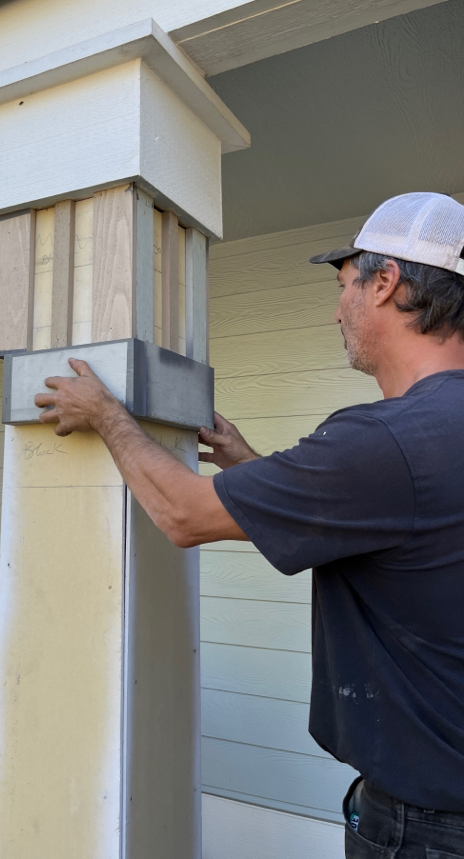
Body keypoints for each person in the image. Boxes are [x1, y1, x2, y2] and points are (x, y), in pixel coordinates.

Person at [33, 191, 464, 858]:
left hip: (428, 827)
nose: (338, 309)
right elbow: (397, 524)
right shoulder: (429, 437)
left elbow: (183, 513)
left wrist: (106, 415)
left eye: (345, 285)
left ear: (385, 283)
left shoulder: (385, 441)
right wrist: (248, 464)